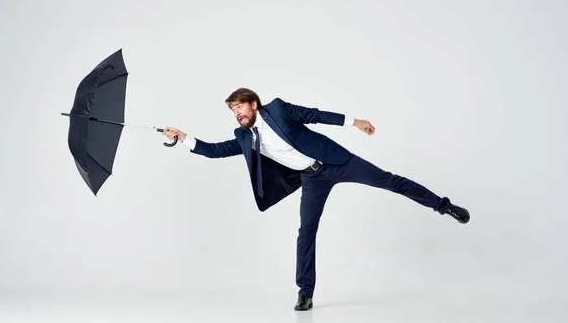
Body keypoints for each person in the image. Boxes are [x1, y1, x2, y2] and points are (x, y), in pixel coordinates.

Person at [162, 87, 470, 311]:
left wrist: (354, 121)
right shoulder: (244, 137)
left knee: (390, 181)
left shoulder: (279, 109)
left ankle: (444, 206)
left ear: (253, 104)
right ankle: (305, 292)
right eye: (232, 110)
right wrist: (184, 137)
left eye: (239, 107)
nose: (236, 113)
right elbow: (215, 150)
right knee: (305, 233)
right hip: (311, 179)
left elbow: (315, 115)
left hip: (336, 161)